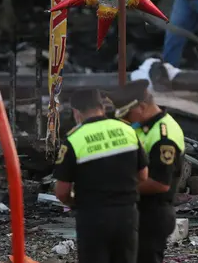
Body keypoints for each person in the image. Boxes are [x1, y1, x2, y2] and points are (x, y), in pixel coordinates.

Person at [53, 89, 148, 263]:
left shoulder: (74, 140)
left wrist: (74, 203)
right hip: (127, 215)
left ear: (76, 112)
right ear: (102, 107)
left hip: (93, 217)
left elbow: (62, 192)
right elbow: (143, 175)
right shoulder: (127, 130)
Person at [107, 79, 186, 263]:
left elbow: (160, 183)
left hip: (153, 214)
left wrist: (116, 189)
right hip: (135, 210)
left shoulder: (163, 136)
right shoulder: (143, 127)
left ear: (141, 107)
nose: (125, 120)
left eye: (128, 114)